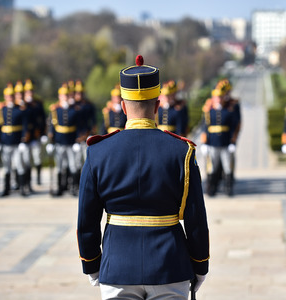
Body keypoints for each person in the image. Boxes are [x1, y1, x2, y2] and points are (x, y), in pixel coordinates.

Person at [77, 55, 209, 300]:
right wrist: (200, 265)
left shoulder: (98, 152)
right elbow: (196, 220)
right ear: (158, 105)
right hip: (171, 266)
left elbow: (86, 220)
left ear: (124, 107)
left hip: (117, 267)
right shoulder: (182, 152)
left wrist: (92, 264)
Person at [201, 81, 239, 196]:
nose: (218, 99)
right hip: (212, 143)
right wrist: (204, 142)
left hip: (226, 143)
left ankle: (228, 189)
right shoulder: (209, 111)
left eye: (220, 97)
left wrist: (233, 142)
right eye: (216, 97)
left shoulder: (229, 110)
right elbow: (205, 127)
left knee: (228, 167)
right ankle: (211, 189)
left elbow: (233, 127)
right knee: (212, 168)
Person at [0, 83, 29, 197]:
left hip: (17, 142)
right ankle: (6, 189)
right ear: (5, 97)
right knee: (6, 167)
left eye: (12, 96)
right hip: (5, 142)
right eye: (8, 96)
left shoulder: (20, 109)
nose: (10, 98)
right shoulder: (1, 110)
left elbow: (24, 126)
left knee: (19, 166)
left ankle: (22, 188)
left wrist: (23, 141)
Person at [47, 84, 83, 196]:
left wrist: (77, 141)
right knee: (60, 166)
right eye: (63, 95)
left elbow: (78, 127)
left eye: (67, 95)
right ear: (59, 96)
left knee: (73, 166)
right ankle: (60, 187)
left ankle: (73, 187)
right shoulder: (55, 110)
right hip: (59, 142)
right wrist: (51, 142)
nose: (65, 97)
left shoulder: (75, 110)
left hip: (71, 142)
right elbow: (52, 127)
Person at [24, 79, 47, 187]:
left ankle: (38, 177)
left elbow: (42, 119)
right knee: (26, 160)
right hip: (25, 136)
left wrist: (43, 134)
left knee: (37, 158)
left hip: (36, 134)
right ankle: (26, 181)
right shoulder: (21, 104)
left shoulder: (38, 103)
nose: (30, 93)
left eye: (31, 91)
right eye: (28, 91)